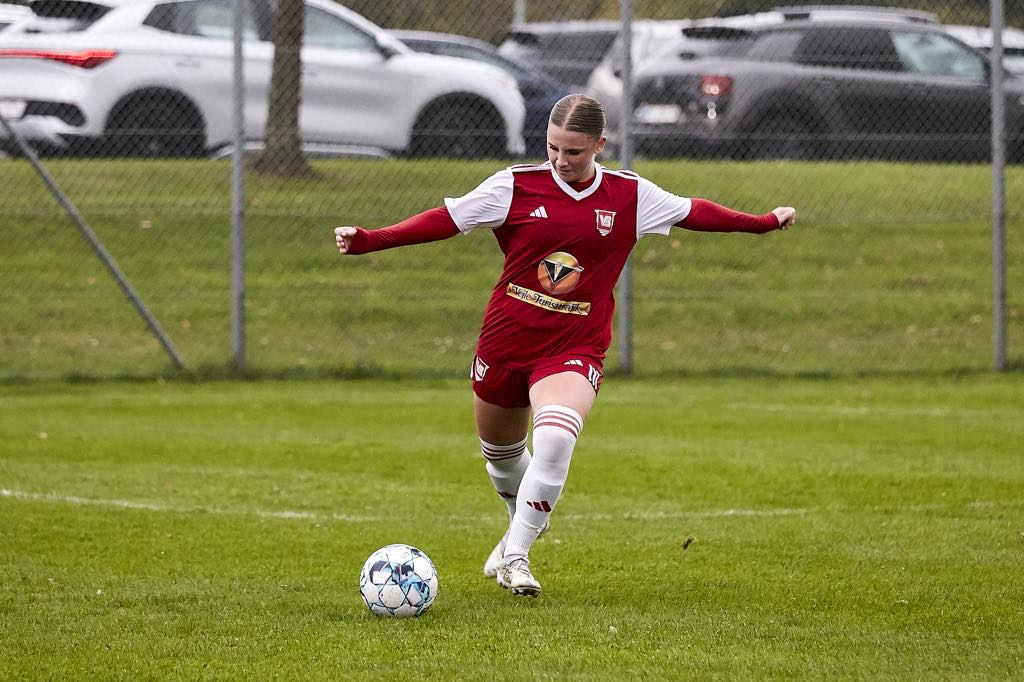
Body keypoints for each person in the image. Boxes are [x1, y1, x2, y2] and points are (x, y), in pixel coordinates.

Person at [335, 94, 795, 598]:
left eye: (573, 151)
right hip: (506, 340)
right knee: (503, 457)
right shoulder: (515, 185)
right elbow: (447, 219)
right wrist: (370, 240)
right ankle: (524, 519)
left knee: (554, 441)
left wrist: (764, 222)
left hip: (574, 347)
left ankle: (517, 556)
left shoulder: (628, 196)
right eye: (553, 147)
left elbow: (695, 212)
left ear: (600, 145)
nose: (560, 159)